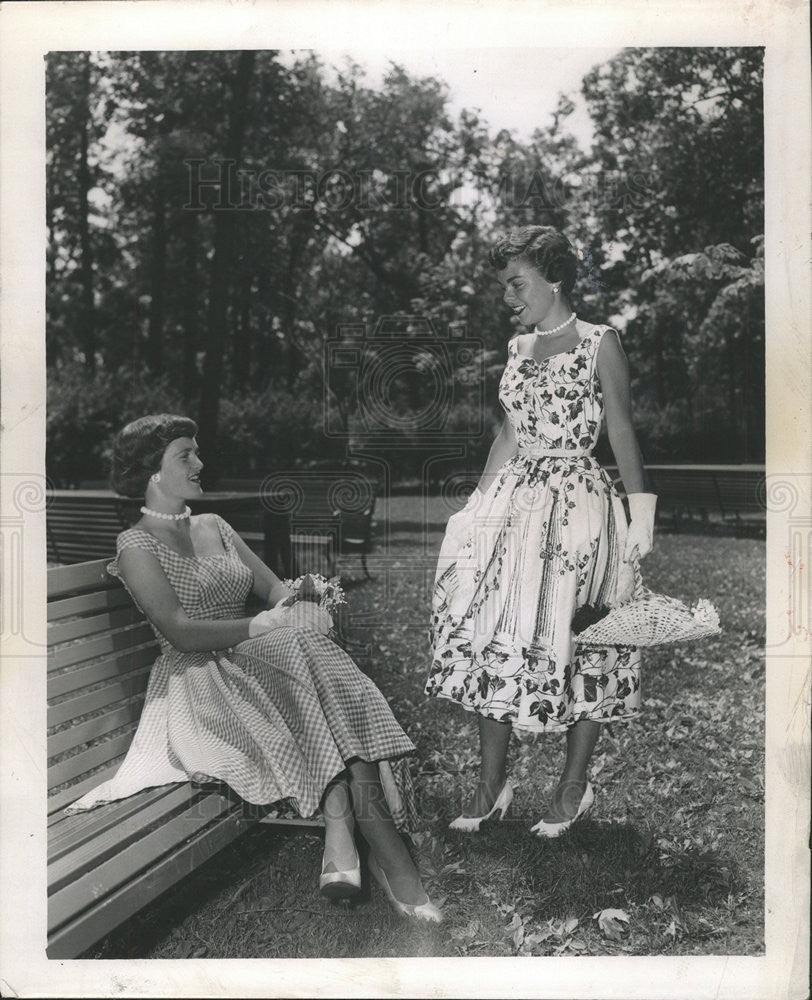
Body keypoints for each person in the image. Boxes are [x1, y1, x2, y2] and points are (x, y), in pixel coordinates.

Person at [66, 414, 441, 924]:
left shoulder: (214, 526)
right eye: (186, 455)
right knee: (296, 655)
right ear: (152, 473)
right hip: (198, 679)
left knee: (301, 649)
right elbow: (179, 631)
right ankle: (381, 848)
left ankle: (344, 834)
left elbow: (274, 590)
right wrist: (264, 626)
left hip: (256, 657)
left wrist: (301, 606)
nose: (200, 463)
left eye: (196, 452)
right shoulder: (136, 546)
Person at [426, 226, 657, 837]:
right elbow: (509, 434)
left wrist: (642, 514)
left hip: (579, 512)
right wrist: (475, 507)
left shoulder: (601, 342)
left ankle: (572, 787)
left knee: (584, 641)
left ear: (553, 278)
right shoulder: (517, 347)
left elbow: (622, 431)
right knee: (492, 631)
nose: (507, 295)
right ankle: (490, 784)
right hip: (513, 512)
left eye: (516, 283)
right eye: (504, 285)